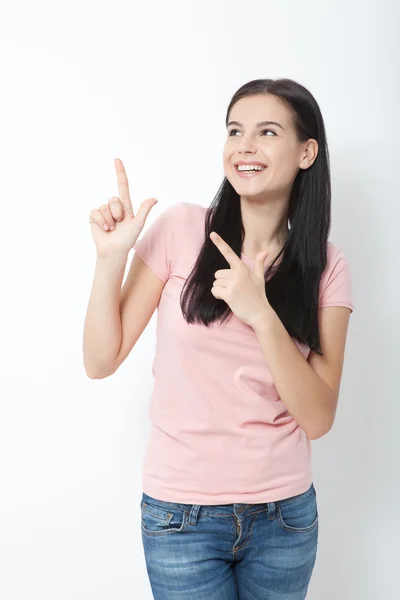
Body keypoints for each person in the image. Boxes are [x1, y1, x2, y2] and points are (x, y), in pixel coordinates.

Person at [83, 78, 354, 600]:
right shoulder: (181, 229)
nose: (244, 146)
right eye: (235, 131)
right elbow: (100, 359)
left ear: (306, 151)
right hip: (180, 516)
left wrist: (262, 315)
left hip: (285, 519)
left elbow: (319, 417)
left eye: (266, 131)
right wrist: (110, 259)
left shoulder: (326, 265)